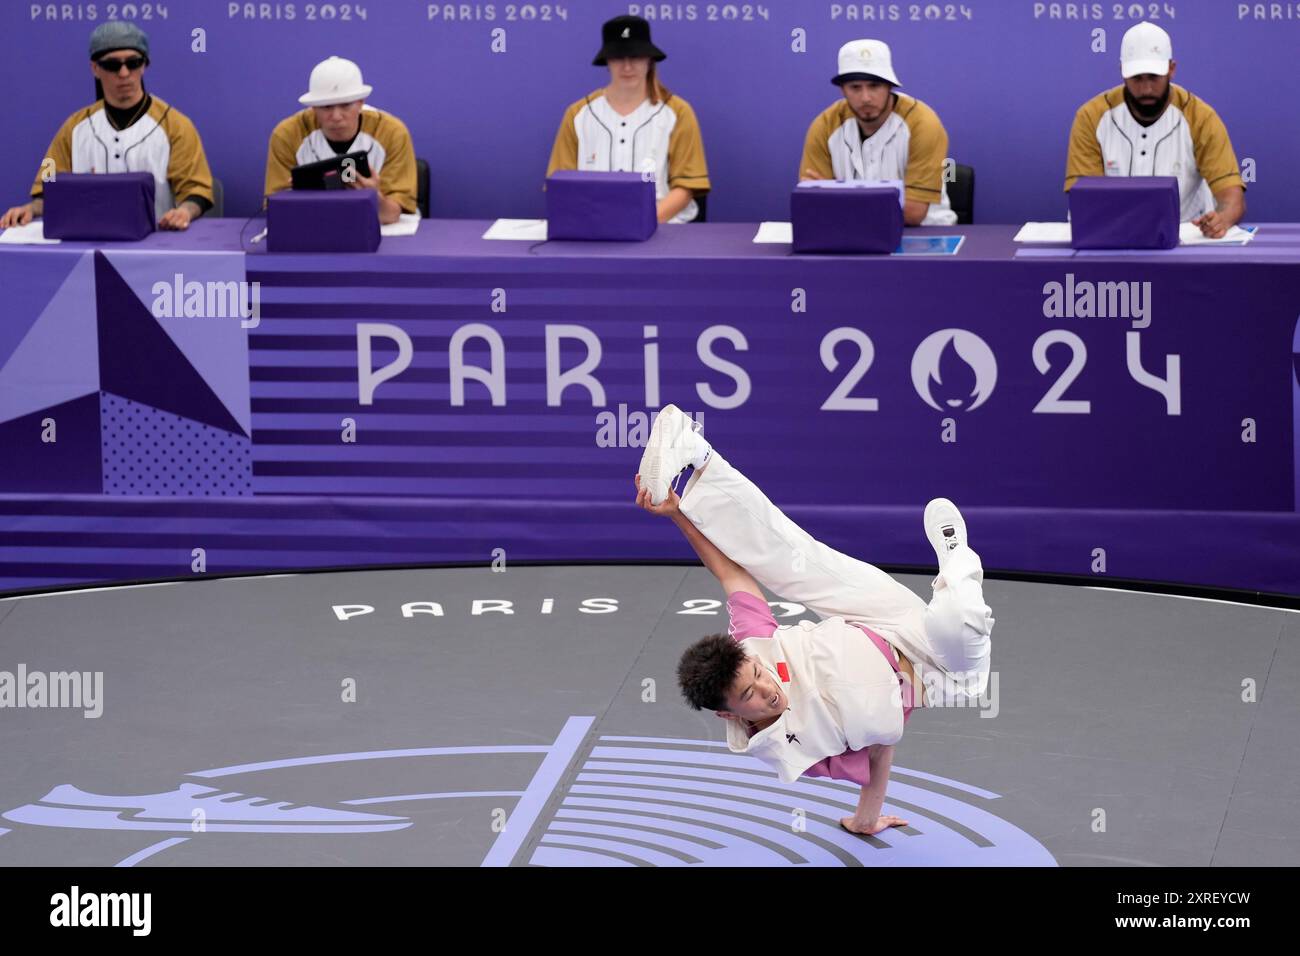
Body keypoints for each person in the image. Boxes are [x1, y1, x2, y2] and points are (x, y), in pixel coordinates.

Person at [634, 405, 994, 835]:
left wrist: (678, 514)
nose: (767, 688)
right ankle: (958, 563)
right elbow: (879, 751)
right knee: (961, 623)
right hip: (935, 670)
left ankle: (696, 452)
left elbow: (733, 574)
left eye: (758, 675)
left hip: (872, 619)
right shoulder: (791, 751)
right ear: (729, 715)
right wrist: (865, 820)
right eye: (749, 694)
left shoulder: (751, 648)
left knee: (791, 559)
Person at [1, 21, 214, 231]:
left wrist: (185, 211)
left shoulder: (176, 125)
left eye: (133, 63)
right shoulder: (73, 128)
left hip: (156, 245)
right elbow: (48, 184)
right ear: (95, 68)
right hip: (86, 246)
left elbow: (196, 190)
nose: (123, 73)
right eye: (112, 65)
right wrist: (32, 208)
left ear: (144, 65)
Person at [1065, 21, 1245, 238]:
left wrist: (1221, 219)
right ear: (1122, 71)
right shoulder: (1091, 117)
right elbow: (1086, 200)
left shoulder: (1201, 118)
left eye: (1154, 77)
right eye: (1137, 78)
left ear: (1171, 69)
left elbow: (1231, 198)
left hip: (1184, 240)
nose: (1146, 88)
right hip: (1111, 238)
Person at [547, 15, 710, 224]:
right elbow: (561, 185)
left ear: (649, 60)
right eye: (618, 57)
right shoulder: (578, 114)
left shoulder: (677, 112)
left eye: (636, 56)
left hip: (664, 229)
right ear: (606, 61)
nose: (627, 66)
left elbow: (687, 187)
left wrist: (642, 221)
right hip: (593, 229)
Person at [799, 39, 956, 226]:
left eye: (874, 86)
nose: (866, 97)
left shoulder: (923, 124)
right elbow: (812, 201)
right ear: (843, 90)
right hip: (849, 233)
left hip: (924, 236)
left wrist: (836, 200)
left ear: (889, 86)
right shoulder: (824, 126)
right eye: (855, 87)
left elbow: (913, 214)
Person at [264, 56, 418, 225]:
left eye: (345, 105)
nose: (336, 116)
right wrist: (298, 196)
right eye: (326, 106)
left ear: (360, 103)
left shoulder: (392, 133)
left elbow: (390, 215)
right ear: (313, 107)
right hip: (313, 229)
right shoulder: (287, 134)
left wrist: (374, 197)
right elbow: (275, 209)